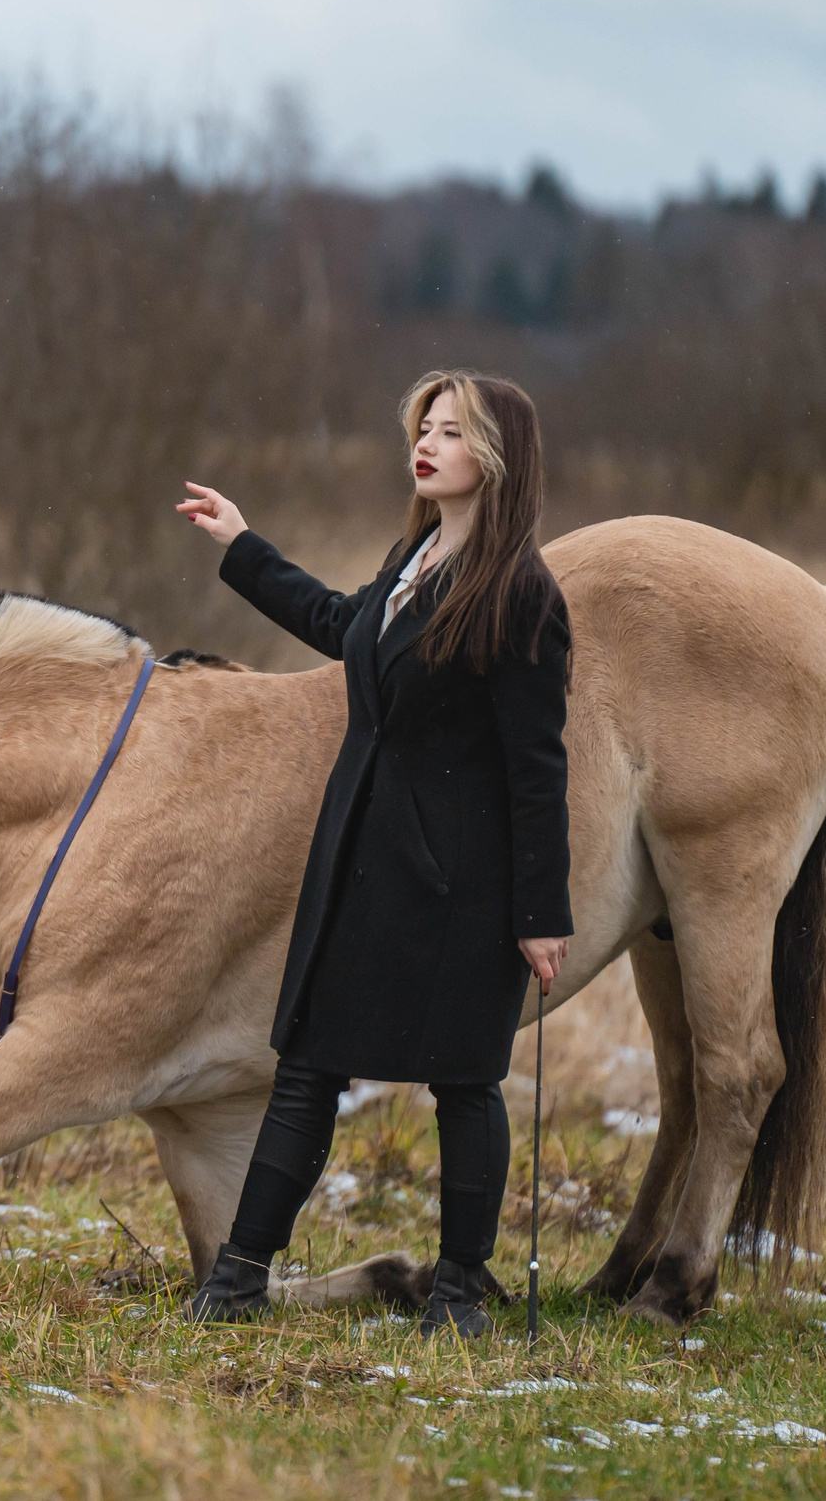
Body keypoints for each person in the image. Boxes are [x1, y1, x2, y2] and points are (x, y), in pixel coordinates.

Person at [172, 371, 572, 1337]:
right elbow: (339, 627)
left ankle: (460, 1294)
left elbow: (537, 767)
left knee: (465, 1082)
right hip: (359, 864)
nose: (426, 446)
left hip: (461, 889)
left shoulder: (523, 595)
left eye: (451, 433)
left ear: (498, 458)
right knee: (308, 1068)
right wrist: (243, 546)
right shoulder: (416, 555)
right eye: (422, 429)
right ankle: (236, 1278)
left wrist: (539, 910)